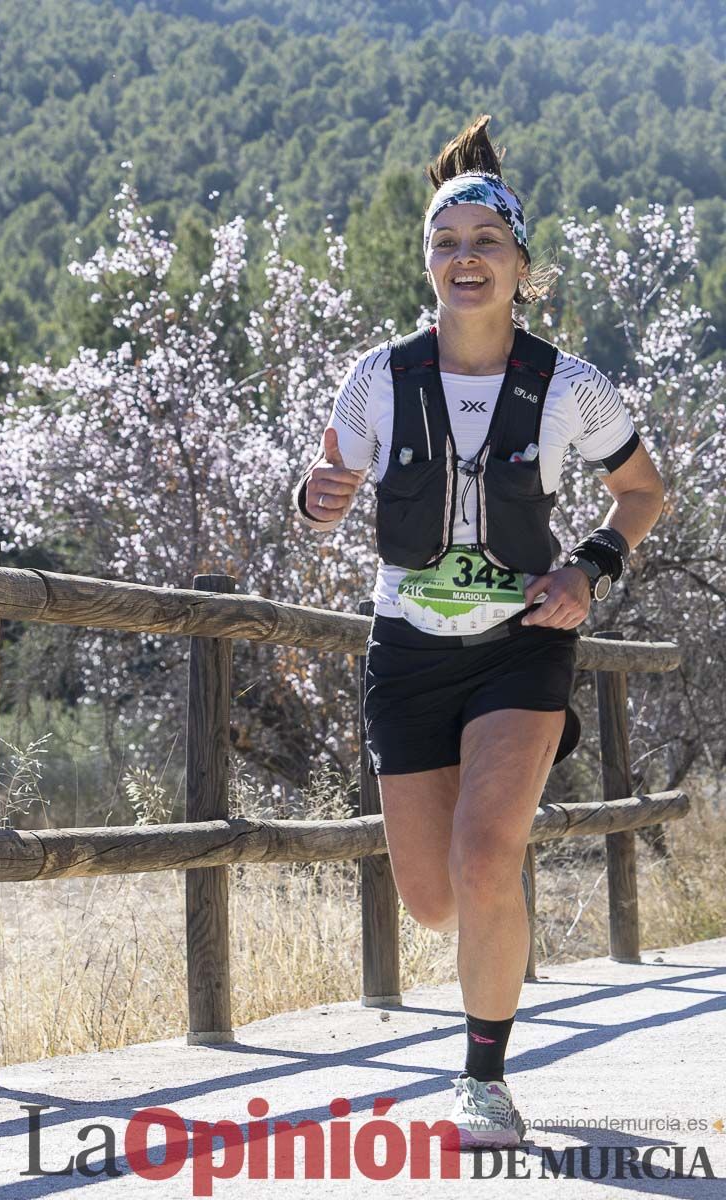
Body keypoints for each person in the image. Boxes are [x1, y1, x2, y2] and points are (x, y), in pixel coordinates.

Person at [289, 114, 665, 1148]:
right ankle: (482, 893)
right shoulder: (379, 377)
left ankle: (484, 1081)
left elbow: (639, 489)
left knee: (485, 852)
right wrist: (313, 498)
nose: (465, 260)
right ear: (425, 263)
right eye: (445, 244)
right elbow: (328, 488)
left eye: (484, 244)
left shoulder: (569, 387)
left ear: (520, 266)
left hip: (520, 645)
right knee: (431, 899)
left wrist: (588, 569)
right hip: (406, 654)